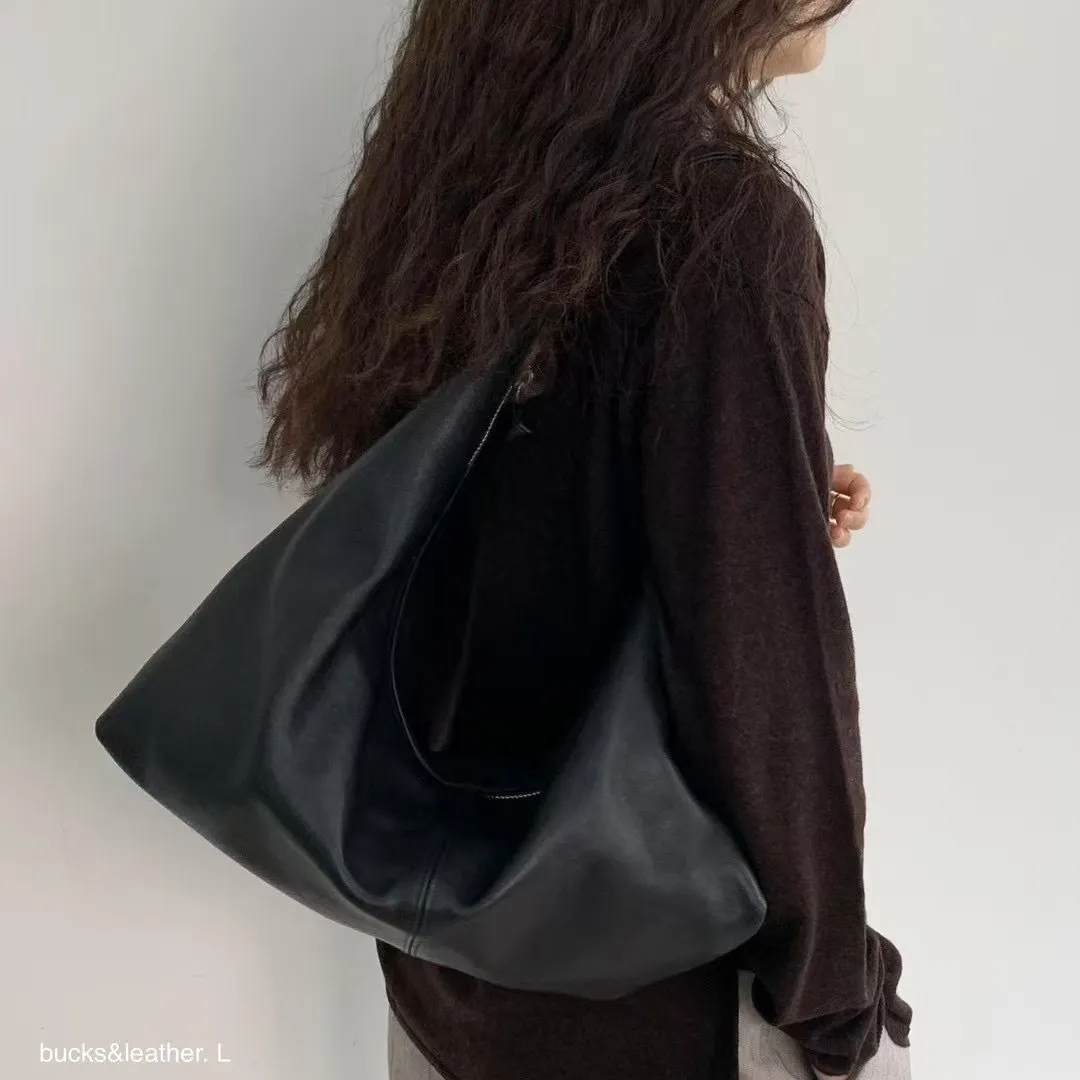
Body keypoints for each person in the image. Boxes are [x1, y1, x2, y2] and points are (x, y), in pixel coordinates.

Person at [254, 0, 912, 1077]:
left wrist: (756, 498)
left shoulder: (469, 184)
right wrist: (836, 996)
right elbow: (761, 663)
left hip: (451, 977)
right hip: (674, 1004)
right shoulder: (720, 223)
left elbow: (502, 538)